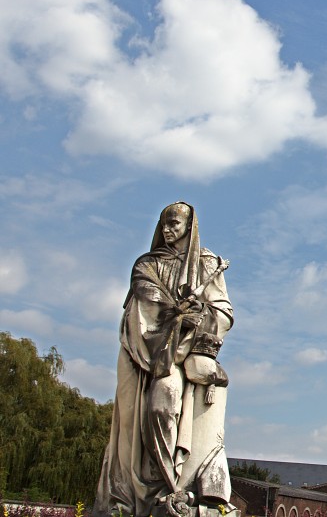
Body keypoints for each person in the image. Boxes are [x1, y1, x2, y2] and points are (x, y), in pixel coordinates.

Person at [96, 203, 233, 517]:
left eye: (175, 224)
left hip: (180, 354)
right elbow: (144, 300)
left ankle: (171, 486)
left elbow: (223, 312)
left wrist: (198, 318)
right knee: (133, 423)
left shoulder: (206, 262)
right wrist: (176, 311)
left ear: (189, 225)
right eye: (164, 224)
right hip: (146, 352)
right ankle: (139, 495)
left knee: (164, 404)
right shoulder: (147, 264)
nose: (169, 230)